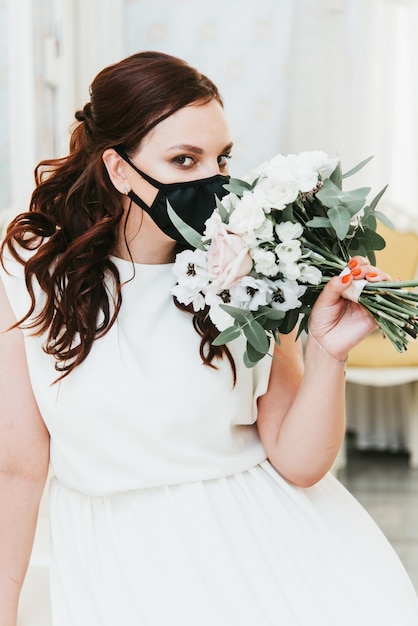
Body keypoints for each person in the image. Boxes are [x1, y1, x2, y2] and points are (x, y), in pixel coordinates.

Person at [0, 51, 417, 626]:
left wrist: (327, 354)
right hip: (118, 571)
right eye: (183, 159)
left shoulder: (253, 271)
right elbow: (17, 467)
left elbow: (297, 463)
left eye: (221, 158)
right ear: (118, 168)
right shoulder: (31, 277)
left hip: (266, 554)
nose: (211, 180)